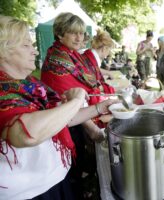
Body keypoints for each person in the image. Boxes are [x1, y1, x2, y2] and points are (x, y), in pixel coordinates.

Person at [0, 15, 117, 200]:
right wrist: (76, 101)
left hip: (52, 179)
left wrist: (100, 108)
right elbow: (27, 134)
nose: (35, 52)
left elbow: (62, 118)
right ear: (3, 51)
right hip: (30, 192)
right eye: (26, 45)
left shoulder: (28, 85)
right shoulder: (4, 90)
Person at [41, 12, 109, 199]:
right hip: (67, 125)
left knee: (78, 166)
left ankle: (83, 187)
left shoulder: (70, 54)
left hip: (78, 119)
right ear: (60, 34)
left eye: (81, 33)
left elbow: (85, 85)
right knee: (72, 169)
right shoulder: (57, 61)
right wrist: (93, 129)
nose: (80, 37)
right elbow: (67, 104)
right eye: (73, 33)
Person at [82, 29, 115, 94]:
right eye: (109, 50)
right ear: (104, 48)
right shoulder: (90, 61)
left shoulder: (90, 56)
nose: (109, 53)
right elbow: (94, 87)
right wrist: (113, 89)